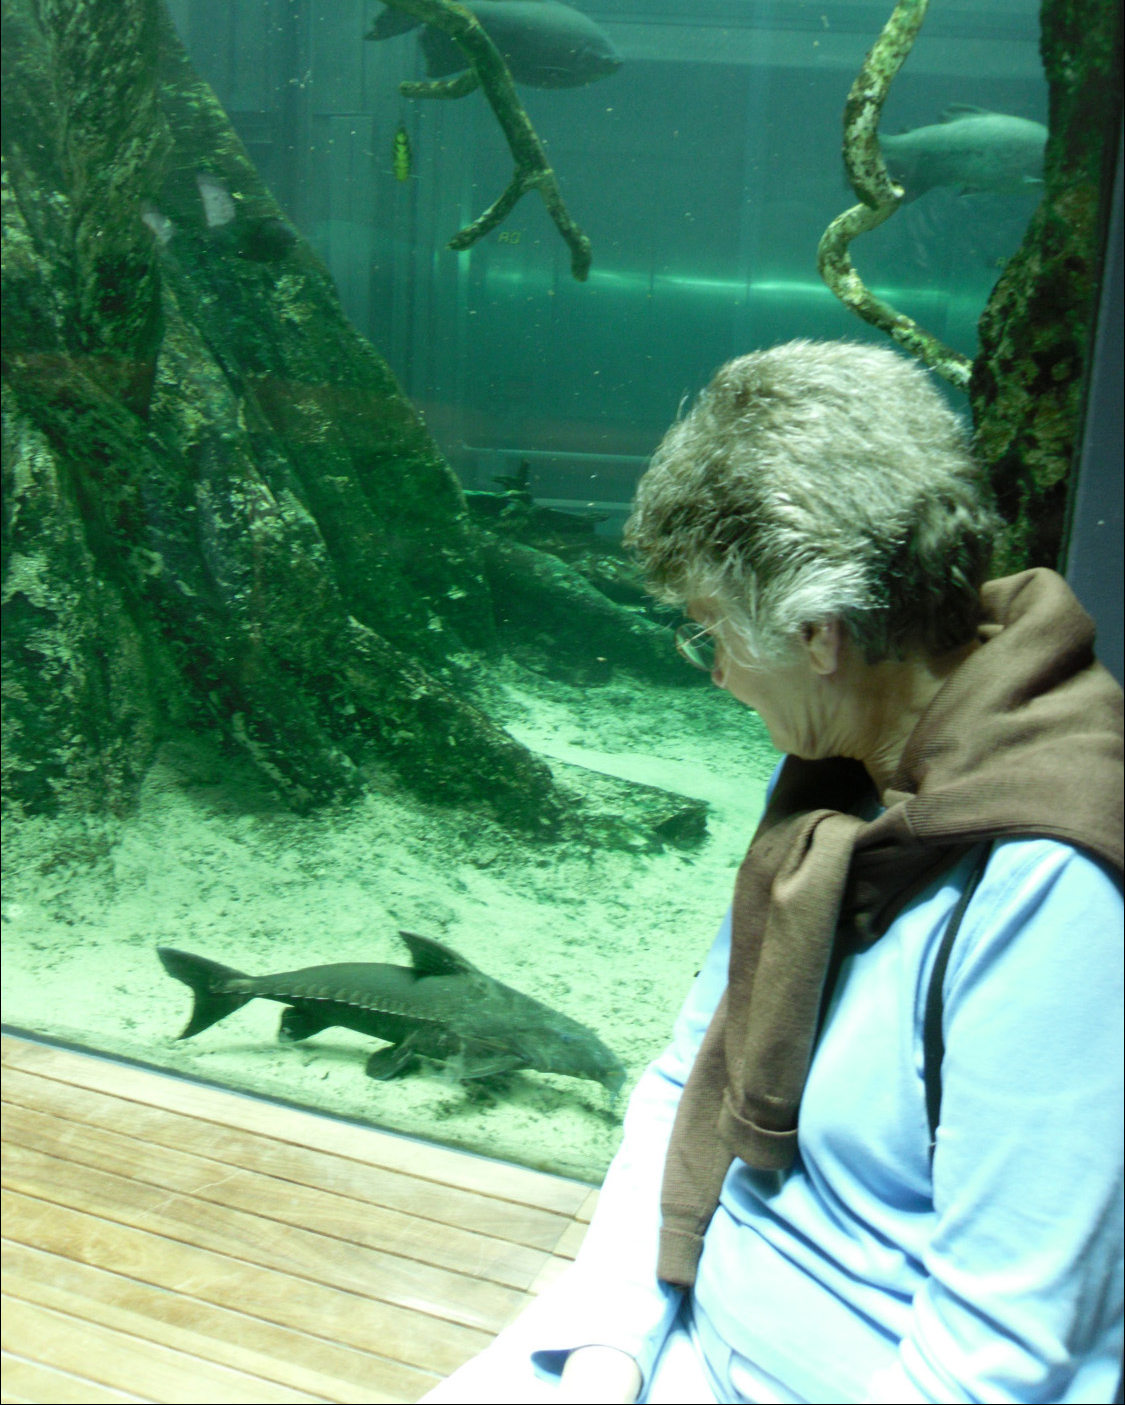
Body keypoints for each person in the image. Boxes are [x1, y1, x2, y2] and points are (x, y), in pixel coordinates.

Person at [423, 339, 1124, 1404]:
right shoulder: (834, 777)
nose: (713, 671)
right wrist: (611, 1347)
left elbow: (997, 1361)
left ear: (819, 636)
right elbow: (678, 1088)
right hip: (687, 1326)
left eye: (712, 630)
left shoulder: (1053, 884)